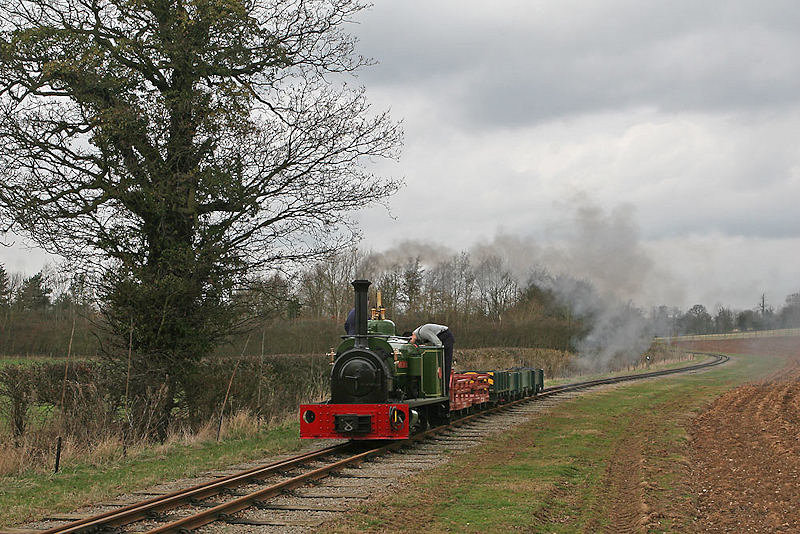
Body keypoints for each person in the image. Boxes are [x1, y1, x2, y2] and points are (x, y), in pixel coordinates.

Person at [410, 324, 454, 393]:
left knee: (445, 365)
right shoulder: (419, 332)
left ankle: (445, 390)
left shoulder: (423, 332)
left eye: (411, 340)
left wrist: (440, 350)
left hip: (446, 337)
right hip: (442, 336)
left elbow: (437, 342)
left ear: (412, 335)